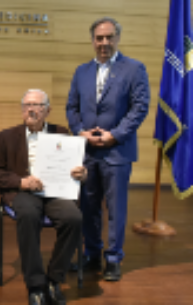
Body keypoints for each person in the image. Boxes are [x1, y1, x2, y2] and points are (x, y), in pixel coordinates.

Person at [66, 17, 150, 281]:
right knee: (88, 206)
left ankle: (113, 258)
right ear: (92, 41)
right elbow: (71, 107)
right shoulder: (81, 71)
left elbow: (140, 107)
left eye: (109, 37)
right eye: (99, 38)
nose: (104, 43)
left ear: (117, 38)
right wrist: (80, 131)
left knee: (116, 209)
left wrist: (115, 135)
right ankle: (91, 253)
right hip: (87, 152)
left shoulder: (135, 69)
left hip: (117, 152)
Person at [0, 89, 85, 305]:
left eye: (37, 105)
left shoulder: (62, 133)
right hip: (23, 191)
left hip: (55, 192)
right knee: (29, 215)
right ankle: (35, 285)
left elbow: (74, 167)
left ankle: (54, 279)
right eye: (27, 105)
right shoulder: (6, 136)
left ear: (48, 110)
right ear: (22, 109)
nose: (31, 109)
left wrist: (82, 173)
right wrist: (21, 182)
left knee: (74, 218)